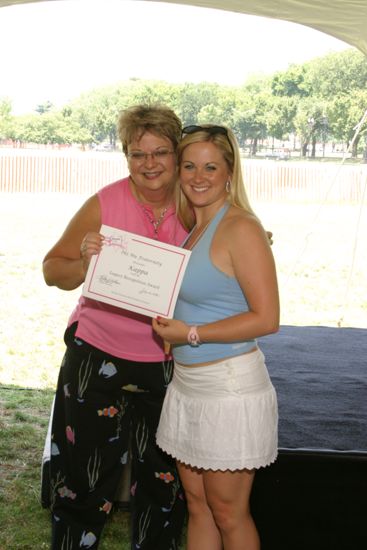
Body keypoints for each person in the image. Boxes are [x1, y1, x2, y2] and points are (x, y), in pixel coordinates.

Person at [42, 104, 189, 550]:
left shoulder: (197, 201)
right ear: (125, 155)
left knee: (164, 486)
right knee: (85, 479)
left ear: (176, 153)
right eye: (137, 153)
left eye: (160, 152)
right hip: (97, 355)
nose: (149, 164)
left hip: (168, 362)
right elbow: (53, 270)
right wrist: (85, 261)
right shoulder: (105, 202)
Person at [153, 124, 279, 550]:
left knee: (228, 513)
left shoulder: (240, 227)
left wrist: (189, 332)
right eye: (189, 165)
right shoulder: (196, 227)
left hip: (229, 389)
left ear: (229, 172)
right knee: (198, 506)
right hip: (189, 387)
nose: (198, 176)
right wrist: (172, 328)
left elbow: (267, 318)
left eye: (210, 166)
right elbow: (208, 298)